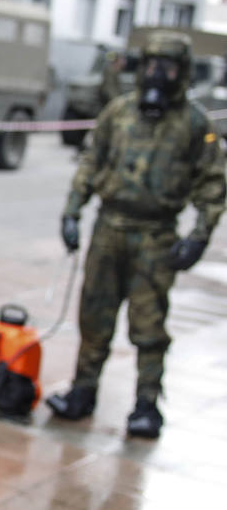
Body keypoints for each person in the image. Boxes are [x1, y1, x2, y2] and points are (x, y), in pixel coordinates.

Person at [47, 29, 225, 438]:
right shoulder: (119, 113)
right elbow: (91, 162)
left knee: (148, 326)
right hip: (109, 230)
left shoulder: (195, 124)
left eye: (166, 67)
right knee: (94, 317)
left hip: (155, 237)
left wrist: (199, 236)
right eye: (151, 65)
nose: (157, 74)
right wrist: (72, 212)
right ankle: (82, 392)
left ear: (181, 72)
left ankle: (146, 404)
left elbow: (213, 186)